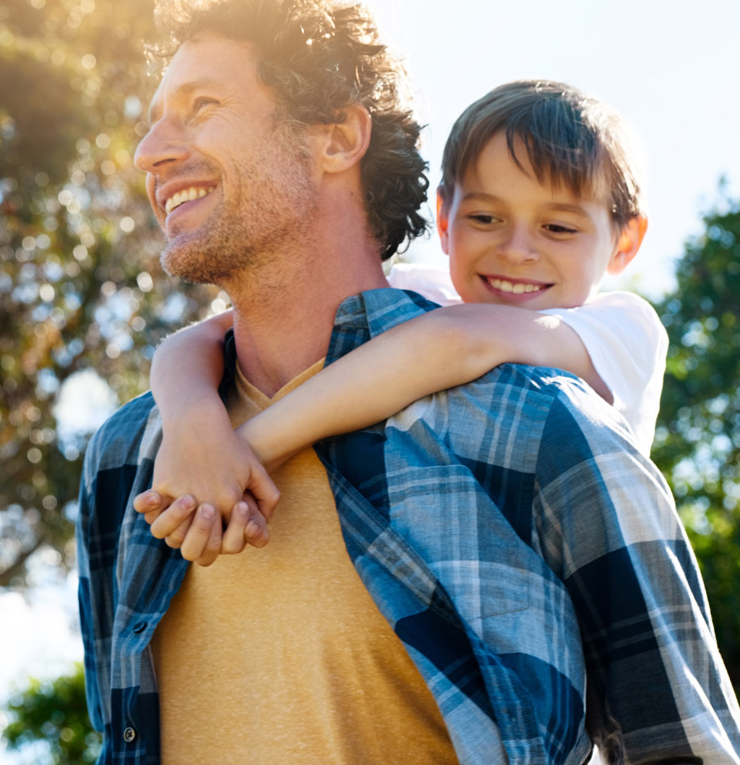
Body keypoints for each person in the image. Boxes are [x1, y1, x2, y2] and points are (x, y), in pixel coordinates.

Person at [76, 0, 740, 764]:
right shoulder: (130, 459)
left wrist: (249, 447)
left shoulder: (539, 425)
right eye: (155, 118)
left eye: (203, 106)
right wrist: (192, 417)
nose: (150, 150)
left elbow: (686, 748)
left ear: (336, 137)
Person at [137, 80, 667, 564]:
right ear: (443, 220)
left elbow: (457, 342)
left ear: (625, 241)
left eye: (557, 227)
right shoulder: (426, 295)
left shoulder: (622, 330)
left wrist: (246, 451)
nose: (517, 250)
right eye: (485, 219)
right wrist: (194, 425)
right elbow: (203, 337)